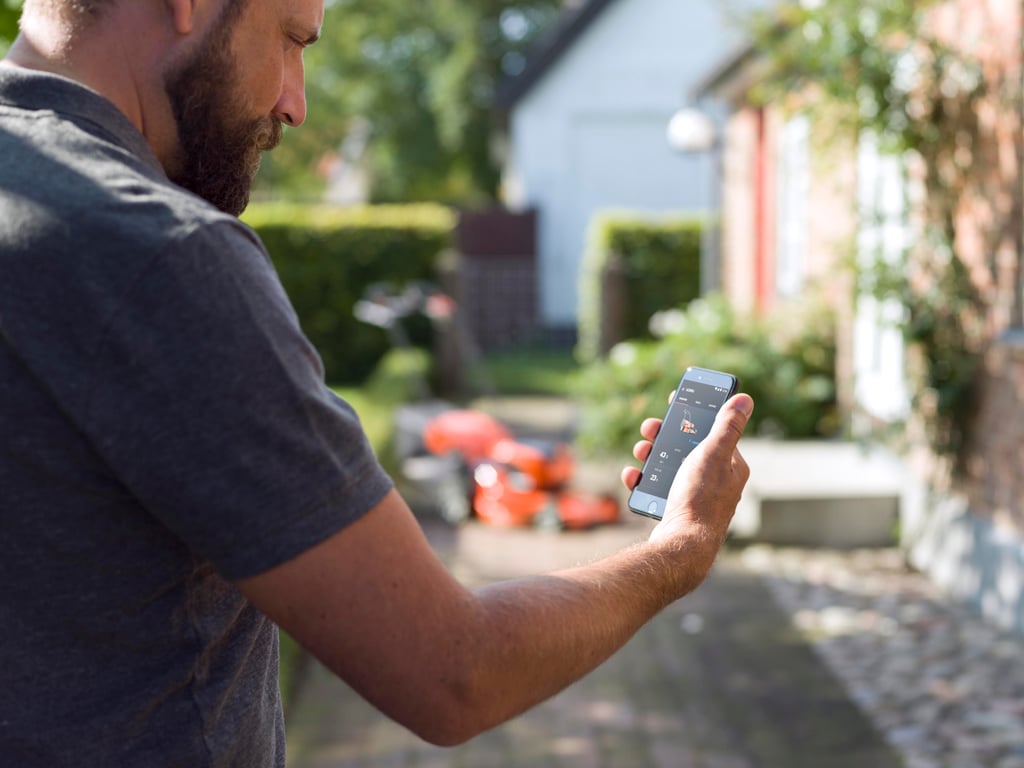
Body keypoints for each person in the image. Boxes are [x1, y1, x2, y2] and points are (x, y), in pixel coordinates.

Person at [0, 0, 754, 765]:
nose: (294, 103)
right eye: (291, 41)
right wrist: (679, 549)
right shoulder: (158, 257)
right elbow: (456, 672)